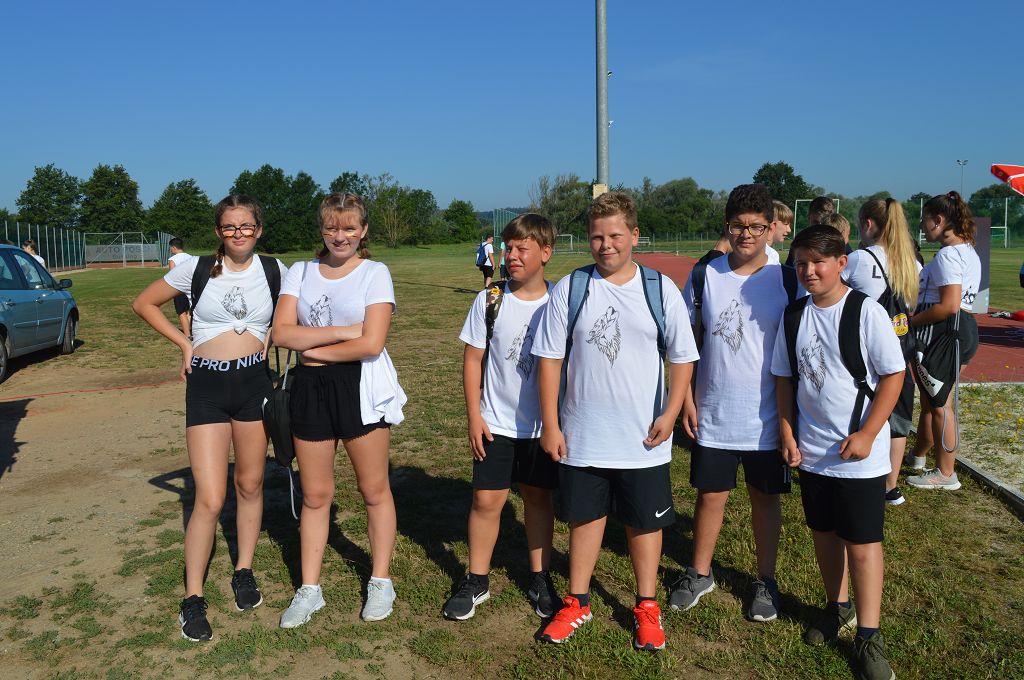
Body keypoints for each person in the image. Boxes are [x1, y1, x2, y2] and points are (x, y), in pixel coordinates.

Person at [532, 191, 699, 651]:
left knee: (644, 524)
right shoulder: (572, 288)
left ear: (634, 235)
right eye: (597, 237)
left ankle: (646, 605)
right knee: (584, 518)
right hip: (583, 433)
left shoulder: (659, 289)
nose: (606, 245)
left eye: (615, 236)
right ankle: (577, 601)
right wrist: (551, 424)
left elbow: (683, 357)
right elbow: (549, 359)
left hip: (643, 438)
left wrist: (671, 411)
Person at [132, 194, 289, 642]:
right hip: (207, 388)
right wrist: (184, 344)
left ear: (259, 229)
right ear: (218, 231)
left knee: (251, 484)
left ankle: (244, 570)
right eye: (229, 227)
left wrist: (275, 334)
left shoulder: (276, 270)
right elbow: (144, 304)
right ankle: (193, 598)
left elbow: (298, 309)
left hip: (254, 384)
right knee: (210, 498)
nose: (238, 233)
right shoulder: (196, 269)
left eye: (246, 226)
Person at [771, 225, 905, 680]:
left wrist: (868, 433)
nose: (808, 271)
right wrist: (787, 431)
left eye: (818, 262)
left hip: (858, 456)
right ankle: (838, 606)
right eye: (800, 263)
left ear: (841, 263)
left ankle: (869, 635)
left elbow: (893, 376)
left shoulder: (866, 312)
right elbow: (784, 377)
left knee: (863, 545)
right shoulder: (794, 316)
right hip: (812, 452)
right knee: (824, 535)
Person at [272, 192, 406, 628]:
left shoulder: (375, 273)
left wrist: (315, 350)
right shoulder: (301, 271)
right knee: (315, 496)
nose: (340, 236)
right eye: (332, 227)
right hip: (309, 390)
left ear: (363, 230)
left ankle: (380, 580)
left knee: (373, 489)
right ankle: (309, 589)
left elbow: (372, 343)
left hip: (359, 386)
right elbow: (281, 334)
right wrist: (345, 332)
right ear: (322, 230)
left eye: (349, 227)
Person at [675, 184, 798, 622]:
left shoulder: (787, 279)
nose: (746, 234)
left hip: (767, 416)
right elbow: (687, 343)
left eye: (756, 227)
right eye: (738, 225)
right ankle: (700, 571)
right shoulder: (704, 275)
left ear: (771, 227)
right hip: (714, 410)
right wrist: (686, 398)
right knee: (710, 495)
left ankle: (765, 580)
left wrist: (792, 418)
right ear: (727, 226)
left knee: (765, 498)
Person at [443, 213, 560, 621]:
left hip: (541, 427)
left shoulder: (560, 302)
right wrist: (474, 415)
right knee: (485, 499)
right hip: (494, 421)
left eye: (522, 249)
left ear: (545, 253)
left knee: (537, 498)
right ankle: (477, 578)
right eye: (509, 248)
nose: (512, 256)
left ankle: (540, 577)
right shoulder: (490, 299)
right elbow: (472, 359)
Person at [845, 198, 921, 505]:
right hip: (900, 348)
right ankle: (891, 485)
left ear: (868, 224)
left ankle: (859, 466)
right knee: (899, 417)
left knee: (866, 406)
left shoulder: (859, 259)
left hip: (866, 348)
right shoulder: (911, 263)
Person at [905, 191, 980, 491]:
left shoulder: (949, 254)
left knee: (940, 406)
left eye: (925, 221)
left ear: (939, 220)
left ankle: (946, 473)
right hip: (959, 329)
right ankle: (919, 456)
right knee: (931, 402)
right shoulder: (967, 250)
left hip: (945, 332)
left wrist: (911, 322)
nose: (922, 227)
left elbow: (949, 305)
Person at [168, 238, 193, 337]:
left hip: (179, 289)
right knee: (189, 312)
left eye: (170, 247)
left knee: (182, 312)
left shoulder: (173, 259)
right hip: (191, 288)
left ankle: (187, 335)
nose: (170, 249)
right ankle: (191, 331)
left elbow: (172, 276)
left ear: (174, 247)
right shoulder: (191, 257)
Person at [768, 200, 793, 265]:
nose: (789, 230)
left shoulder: (772, 254)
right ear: (772, 224)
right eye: (786, 224)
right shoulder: (769, 255)